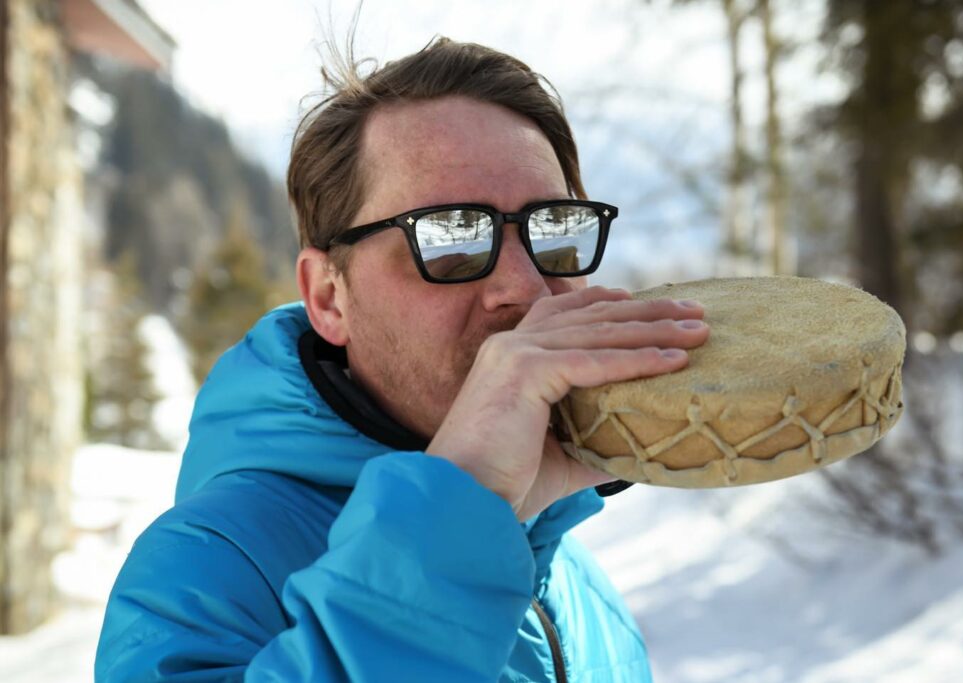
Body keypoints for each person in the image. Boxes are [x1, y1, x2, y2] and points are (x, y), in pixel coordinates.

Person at [95, 37, 709, 682]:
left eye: (552, 230)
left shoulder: (577, 579)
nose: (526, 288)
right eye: (450, 238)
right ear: (329, 298)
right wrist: (462, 497)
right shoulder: (205, 566)